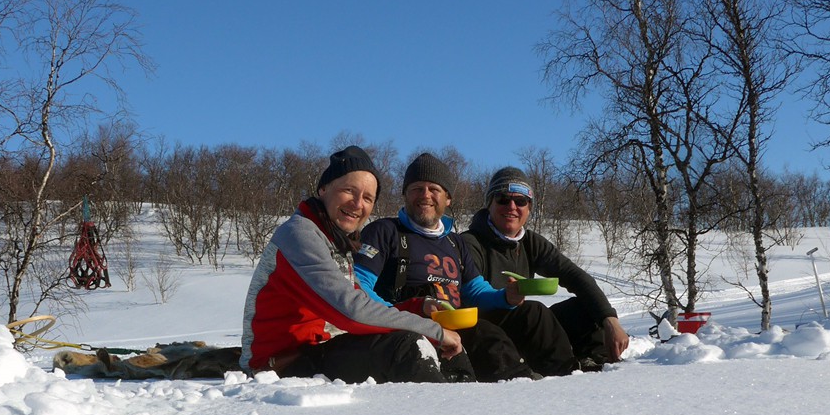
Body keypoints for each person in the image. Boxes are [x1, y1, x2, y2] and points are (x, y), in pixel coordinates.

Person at [240, 146, 462, 383]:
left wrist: (419, 308)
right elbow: (352, 312)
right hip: (279, 364)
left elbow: (358, 302)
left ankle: (465, 406)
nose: (358, 204)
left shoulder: (334, 239)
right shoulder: (301, 234)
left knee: (448, 345)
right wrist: (434, 331)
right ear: (323, 189)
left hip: (318, 350)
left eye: (367, 198)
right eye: (349, 190)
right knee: (407, 347)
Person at [353, 153, 539, 382]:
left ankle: (523, 389)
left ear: (448, 198)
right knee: (483, 339)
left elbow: (475, 291)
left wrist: (505, 297)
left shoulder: (454, 241)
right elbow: (358, 287)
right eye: (416, 188)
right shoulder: (384, 232)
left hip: (456, 327)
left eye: (434, 189)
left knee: (491, 337)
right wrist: (409, 312)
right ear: (404, 194)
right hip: (409, 328)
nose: (425, 195)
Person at [460, 166, 631, 372]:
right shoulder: (469, 243)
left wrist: (609, 319)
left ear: (529, 208)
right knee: (534, 312)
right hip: (487, 333)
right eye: (503, 199)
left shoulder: (530, 242)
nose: (512, 206)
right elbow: (472, 295)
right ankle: (565, 374)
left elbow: (574, 276)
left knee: (582, 307)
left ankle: (600, 363)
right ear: (490, 204)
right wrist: (506, 297)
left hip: (523, 328)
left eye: (521, 201)